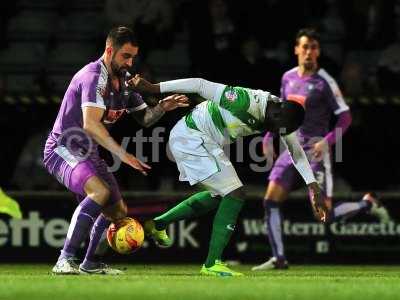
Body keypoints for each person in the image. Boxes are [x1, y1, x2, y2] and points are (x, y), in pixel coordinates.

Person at [129, 75, 327, 277]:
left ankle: (159, 223)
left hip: (204, 141)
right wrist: (153, 88)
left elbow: (295, 151)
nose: (277, 133)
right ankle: (212, 263)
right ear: (276, 114)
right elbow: (199, 84)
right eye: (278, 129)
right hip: (191, 136)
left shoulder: (282, 116)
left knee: (220, 196)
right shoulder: (244, 101)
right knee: (235, 193)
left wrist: (313, 186)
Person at [43, 26, 188, 275]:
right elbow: (90, 124)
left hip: (88, 153)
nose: (129, 62)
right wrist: (123, 155)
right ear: (110, 50)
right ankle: (63, 259)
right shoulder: (92, 76)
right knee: (99, 192)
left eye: (132, 57)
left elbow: (145, 119)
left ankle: (89, 264)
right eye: (125, 56)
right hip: (62, 148)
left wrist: (162, 106)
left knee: (118, 212)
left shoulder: (124, 83)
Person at [252, 28, 391, 271]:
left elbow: (345, 117)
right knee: (270, 201)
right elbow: (282, 114)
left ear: (318, 52)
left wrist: (327, 140)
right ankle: (279, 258)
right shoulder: (288, 78)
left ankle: (367, 203)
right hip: (291, 150)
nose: (309, 52)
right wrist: (267, 136)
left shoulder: (324, 81)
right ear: (296, 49)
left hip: (316, 152)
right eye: (305, 46)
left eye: (314, 47)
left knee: (323, 214)